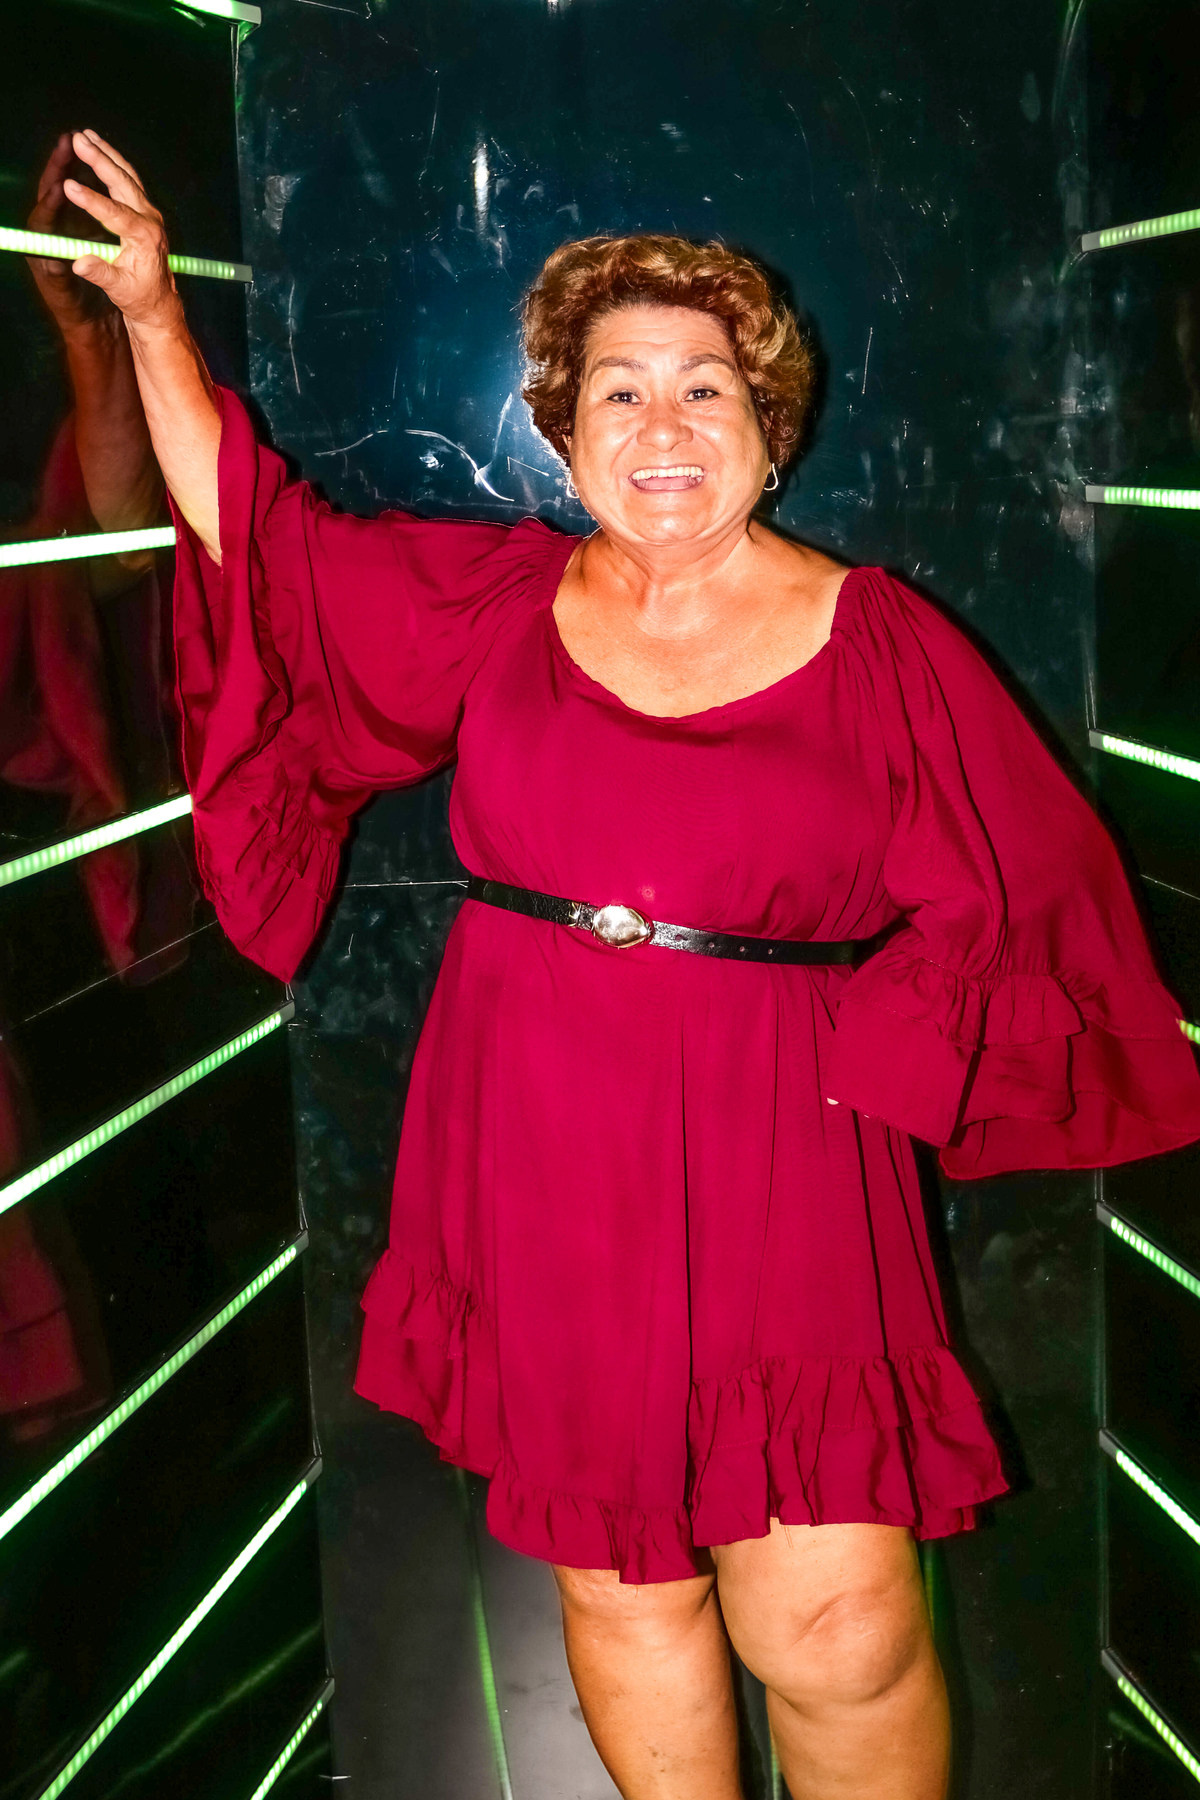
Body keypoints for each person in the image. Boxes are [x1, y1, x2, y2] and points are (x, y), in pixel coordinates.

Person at [63, 125, 1200, 1800]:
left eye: (704, 389)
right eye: (620, 391)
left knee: (839, 1619)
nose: (662, 426)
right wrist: (157, 321)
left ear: (769, 427)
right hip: (538, 1138)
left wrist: (877, 1052)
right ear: (563, 429)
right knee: (619, 1579)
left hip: (779, 1149)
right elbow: (262, 539)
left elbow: (1031, 892)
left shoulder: (879, 641)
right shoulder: (500, 605)